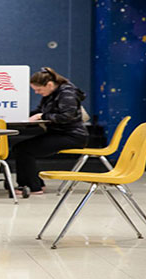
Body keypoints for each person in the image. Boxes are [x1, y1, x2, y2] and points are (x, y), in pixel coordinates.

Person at [11, 67, 88, 196]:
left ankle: (33, 186)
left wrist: (42, 117)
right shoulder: (50, 94)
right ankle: (33, 183)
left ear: (50, 85)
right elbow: (39, 111)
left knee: (25, 150)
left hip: (73, 136)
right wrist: (22, 116)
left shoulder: (67, 93)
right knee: (20, 148)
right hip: (59, 133)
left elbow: (66, 116)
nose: (36, 92)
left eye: (38, 89)